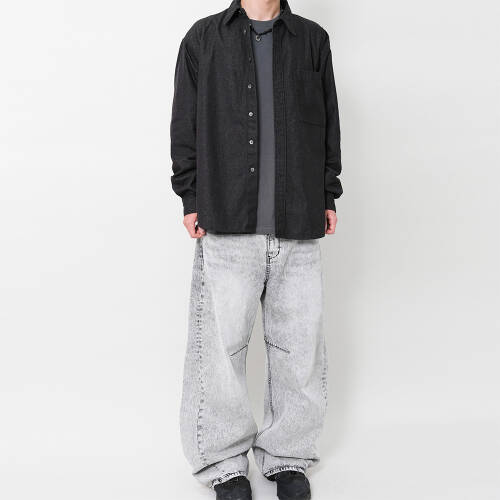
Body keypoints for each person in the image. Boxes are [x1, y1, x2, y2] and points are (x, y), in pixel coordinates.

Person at [170, 0, 342, 498]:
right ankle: (223, 464)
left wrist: (327, 194)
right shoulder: (203, 39)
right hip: (226, 218)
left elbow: (328, 122)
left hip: (298, 219)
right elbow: (184, 123)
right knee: (220, 350)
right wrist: (190, 197)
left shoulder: (312, 39)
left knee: (298, 349)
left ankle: (287, 457)